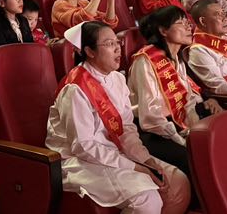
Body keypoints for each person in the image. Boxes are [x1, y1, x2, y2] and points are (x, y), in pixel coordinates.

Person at [46, 21, 191, 214]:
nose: (117, 48)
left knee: (178, 182)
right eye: (109, 44)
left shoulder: (117, 79)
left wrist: (146, 160)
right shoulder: (75, 89)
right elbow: (83, 146)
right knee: (147, 199)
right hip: (79, 161)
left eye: (117, 42)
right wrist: (136, 167)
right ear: (89, 51)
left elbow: (126, 129)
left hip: (112, 151)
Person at [128, 6, 222, 177]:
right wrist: (180, 139)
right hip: (153, 130)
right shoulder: (145, 61)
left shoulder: (176, 58)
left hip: (177, 121)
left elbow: (187, 98)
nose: (188, 27)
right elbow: (150, 117)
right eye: (181, 23)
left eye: (188, 23)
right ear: (163, 31)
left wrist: (192, 124)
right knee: (193, 158)